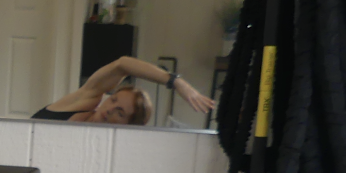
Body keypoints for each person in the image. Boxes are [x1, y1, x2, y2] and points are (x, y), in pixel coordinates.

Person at [32, 55, 216, 125]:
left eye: (120, 113)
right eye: (113, 101)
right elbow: (122, 64)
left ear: (127, 126)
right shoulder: (83, 102)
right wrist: (177, 82)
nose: (109, 109)